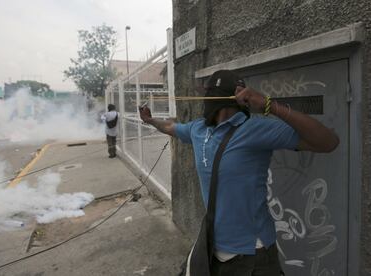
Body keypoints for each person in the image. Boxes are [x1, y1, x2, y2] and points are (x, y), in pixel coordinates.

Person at [138, 70, 339, 276]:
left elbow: (328, 142)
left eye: (207, 93)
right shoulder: (198, 129)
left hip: (253, 255)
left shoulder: (255, 129)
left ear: (216, 97)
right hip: (213, 248)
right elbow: (171, 126)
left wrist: (270, 105)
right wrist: (150, 121)